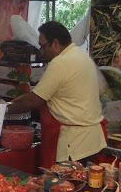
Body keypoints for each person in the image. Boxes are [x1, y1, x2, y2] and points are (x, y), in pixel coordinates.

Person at [6, 21, 106, 167]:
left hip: (74, 144)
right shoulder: (81, 55)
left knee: (64, 187)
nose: (41, 51)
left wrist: (3, 110)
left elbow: (34, 101)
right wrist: (18, 100)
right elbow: (43, 92)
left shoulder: (60, 62)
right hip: (92, 141)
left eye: (43, 46)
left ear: (56, 43)